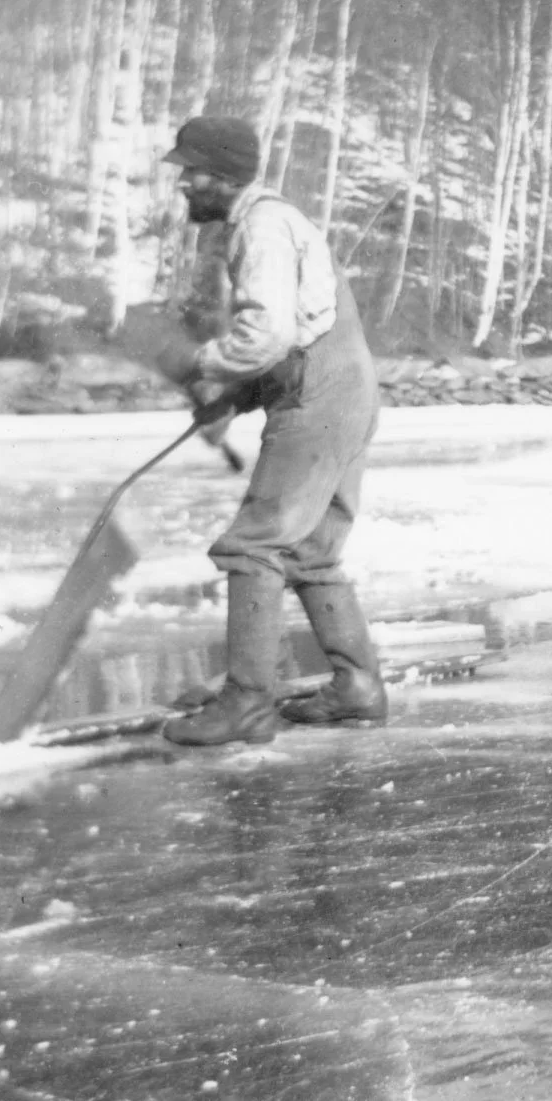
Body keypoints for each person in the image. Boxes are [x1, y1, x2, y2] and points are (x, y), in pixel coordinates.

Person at [148, 115, 386, 746]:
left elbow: (270, 335)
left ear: (222, 175)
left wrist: (202, 365)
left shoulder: (262, 227)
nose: (185, 184)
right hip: (345, 390)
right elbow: (298, 334)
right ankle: (356, 687)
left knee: (252, 546)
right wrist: (235, 397)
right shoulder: (275, 222)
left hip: (319, 397)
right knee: (310, 551)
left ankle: (248, 703)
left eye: (192, 171)